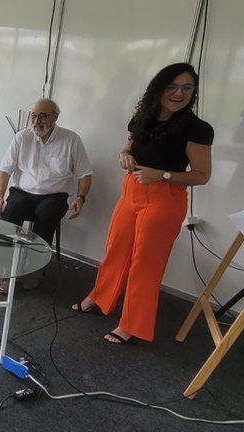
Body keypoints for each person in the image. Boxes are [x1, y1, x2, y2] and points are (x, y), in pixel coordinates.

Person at [73, 63, 213, 344]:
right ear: (159, 88)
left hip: (165, 198)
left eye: (187, 88)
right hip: (131, 192)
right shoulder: (143, 118)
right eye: (172, 86)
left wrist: (160, 175)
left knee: (145, 264)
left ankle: (133, 324)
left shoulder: (197, 129)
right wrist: (124, 155)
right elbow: (129, 147)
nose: (179, 93)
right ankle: (100, 297)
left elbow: (202, 175)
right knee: (115, 250)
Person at [0, 98, 93, 294]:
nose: (37, 121)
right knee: (10, 212)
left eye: (43, 116)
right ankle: (8, 269)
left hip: (54, 195)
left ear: (55, 117)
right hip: (23, 192)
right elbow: (4, 170)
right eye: (34, 116)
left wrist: (81, 197)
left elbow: (85, 174)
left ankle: (34, 268)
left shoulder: (71, 139)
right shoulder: (22, 137)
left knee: (46, 214)